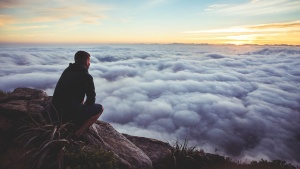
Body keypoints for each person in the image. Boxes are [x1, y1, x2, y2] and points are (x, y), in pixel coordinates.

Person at [52, 50, 103, 136]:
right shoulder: (86, 76)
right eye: (89, 61)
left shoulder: (67, 70)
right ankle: (77, 133)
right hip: (67, 114)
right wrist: (83, 107)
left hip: (54, 112)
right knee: (100, 108)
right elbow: (91, 100)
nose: (89, 64)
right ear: (87, 62)